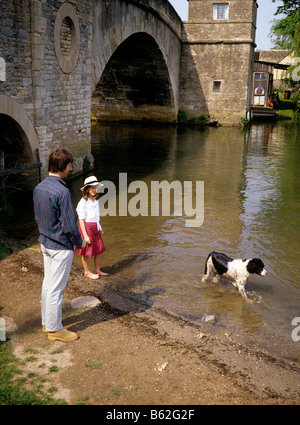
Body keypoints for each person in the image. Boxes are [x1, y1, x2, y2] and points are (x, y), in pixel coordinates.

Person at [33, 149, 86, 342]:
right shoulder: (62, 191)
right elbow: (70, 225)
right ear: (62, 167)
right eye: (70, 165)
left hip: (45, 242)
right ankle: (55, 330)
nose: (71, 168)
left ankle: (47, 322)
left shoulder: (39, 187)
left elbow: (39, 216)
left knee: (48, 284)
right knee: (56, 289)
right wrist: (79, 243)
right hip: (60, 247)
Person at [74, 176, 108, 279]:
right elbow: (81, 219)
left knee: (100, 249)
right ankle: (87, 271)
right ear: (87, 189)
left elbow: (96, 216)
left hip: (95, 227)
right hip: (87, 228)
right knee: (86, 252)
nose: (94, 190)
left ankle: (97, 269)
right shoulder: (83, 202)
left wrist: (99, 227)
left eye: (95, 187)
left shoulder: (95, 200)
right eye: (91, 188)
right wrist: (85, 235)